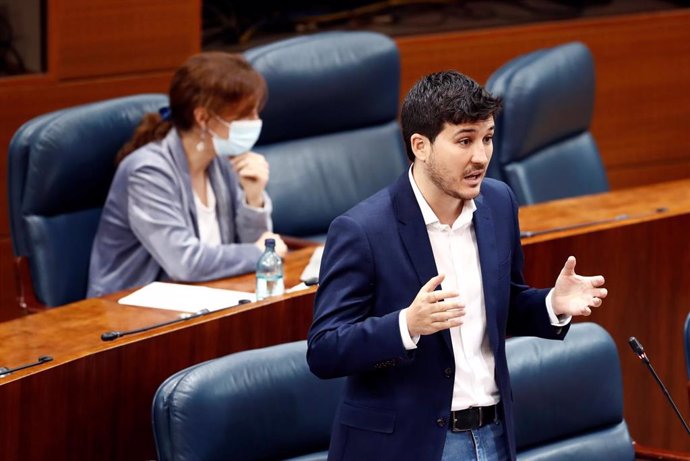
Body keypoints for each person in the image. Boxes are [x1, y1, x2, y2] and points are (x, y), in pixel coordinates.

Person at [306, 71, 608, 461]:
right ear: (421, 146)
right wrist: (405, 326)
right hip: (410, 445)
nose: (481, 156)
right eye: (464, 140)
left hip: (494, 434)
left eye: (488, 138)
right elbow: (325, 349)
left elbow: (502, 305)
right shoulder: (362, 230)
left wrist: (551, 305)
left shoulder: (498, 203)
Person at [88, 52, 286, 297]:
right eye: (245, 115)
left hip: (204, 300)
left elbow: (257, 247)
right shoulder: (147, 172)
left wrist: (253, 199)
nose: (256, 121)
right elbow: (185, 263)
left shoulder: (222, 162)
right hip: (128, 315)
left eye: (256, 112)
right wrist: (260, 252)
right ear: (202, 117)